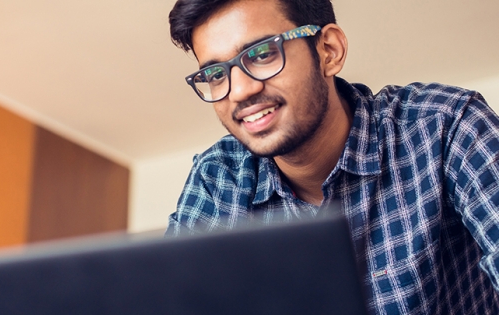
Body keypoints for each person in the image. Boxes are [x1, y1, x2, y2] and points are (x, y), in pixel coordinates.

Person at [165, 0, 499, 313]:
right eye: (215, 75)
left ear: (329, 51)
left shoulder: (445, 123)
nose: (239, 91)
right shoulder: (218, 177)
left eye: (263, 53)